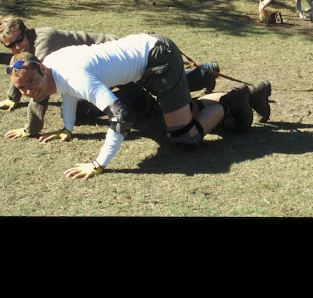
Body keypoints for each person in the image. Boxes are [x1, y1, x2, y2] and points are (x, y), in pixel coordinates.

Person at [7, 35, 272, 179]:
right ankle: (237, 100)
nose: (29, 91)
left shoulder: (72, 75)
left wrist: (98, 164)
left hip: (158, 57)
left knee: (184, 137)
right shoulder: (52, 67)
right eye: (22, 89)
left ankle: (236, 99)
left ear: (42, 69)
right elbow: (68, 94)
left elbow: (121, 116)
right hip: (143, 61)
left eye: (32, 82)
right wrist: (67, 128)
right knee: (186, 115)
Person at [0, 16, 219, 138]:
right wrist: (13, 97)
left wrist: (31, 129)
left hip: (114, 56)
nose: (16, 46)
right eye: (9, 45)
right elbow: (21, 72)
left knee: (151, 91)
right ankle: (198, 80)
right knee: (85, 111)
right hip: (94, 70)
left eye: (18, 40)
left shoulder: (43, 44)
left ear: (25, 31)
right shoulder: (28, 55)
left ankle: (204, 73)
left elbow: (39, 89)